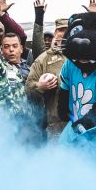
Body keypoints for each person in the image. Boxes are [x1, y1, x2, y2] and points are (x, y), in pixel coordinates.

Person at [26, 11, 69, 140]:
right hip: (56, 124)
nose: (64, 33)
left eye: (68, 30)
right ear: (56, 33)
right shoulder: (43, 59)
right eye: (61, 30)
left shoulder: (82, 55)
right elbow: (28, 89)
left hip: (83, 121)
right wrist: (40, 85)